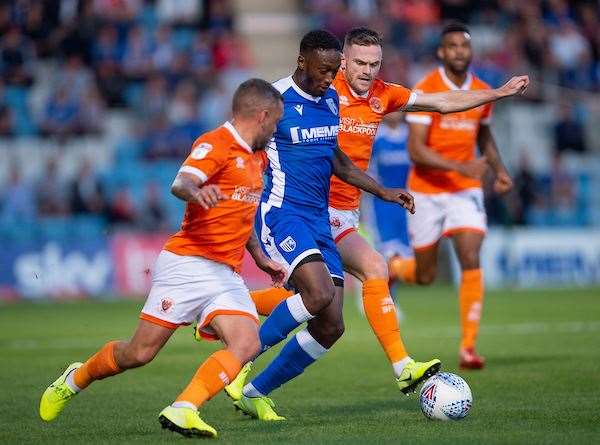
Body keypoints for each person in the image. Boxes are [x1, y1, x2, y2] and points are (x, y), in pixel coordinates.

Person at [244, 26, 528, 387]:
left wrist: (500, 92)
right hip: (302, 209)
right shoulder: (321, 88)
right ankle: (401, 366)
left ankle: (249, 366)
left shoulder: (382, 95)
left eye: (374, 64)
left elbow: (441, 102)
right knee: (349, 282)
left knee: (328, 314)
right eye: (359, 63)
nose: (367, 71)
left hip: (344, 213)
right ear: (343, 61)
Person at [38, 78, 286, 438]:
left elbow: (241, 211)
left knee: (246, 343)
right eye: (275, 122)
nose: (276, 129)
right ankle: (75, 378)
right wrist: (198, 192)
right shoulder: (215, 143)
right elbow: (181, 183)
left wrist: (260, 256)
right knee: (138, 354)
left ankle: (184, 408)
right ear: (262, 116)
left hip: (226, 272)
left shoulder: (257, 156)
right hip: (189, 264)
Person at [226, 30, 416, 421]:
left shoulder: (330, 99)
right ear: (301, 62)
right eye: (325, 70)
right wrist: (237, 209)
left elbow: (338, 161)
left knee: (331, 325)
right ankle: (238, 357)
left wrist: (382, 191)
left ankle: (254, 390)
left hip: (319, 219)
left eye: (335, 71)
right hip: (281, 213)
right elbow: (236, 152)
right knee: (315, 295)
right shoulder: (273, 100)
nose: (332, 80)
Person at [389, 23, 518, 369]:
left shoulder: (482, 92)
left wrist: (500, 170)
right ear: (441, 52)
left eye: (465, 45)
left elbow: (484, 135)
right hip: (427, 190)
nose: (459, 51)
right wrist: (459, 167)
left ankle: (468, 348)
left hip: (465, 191)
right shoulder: (426, 90)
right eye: (452, 46)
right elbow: (415, 151)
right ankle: (394, 269)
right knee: (426, 275)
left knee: (471, 255)